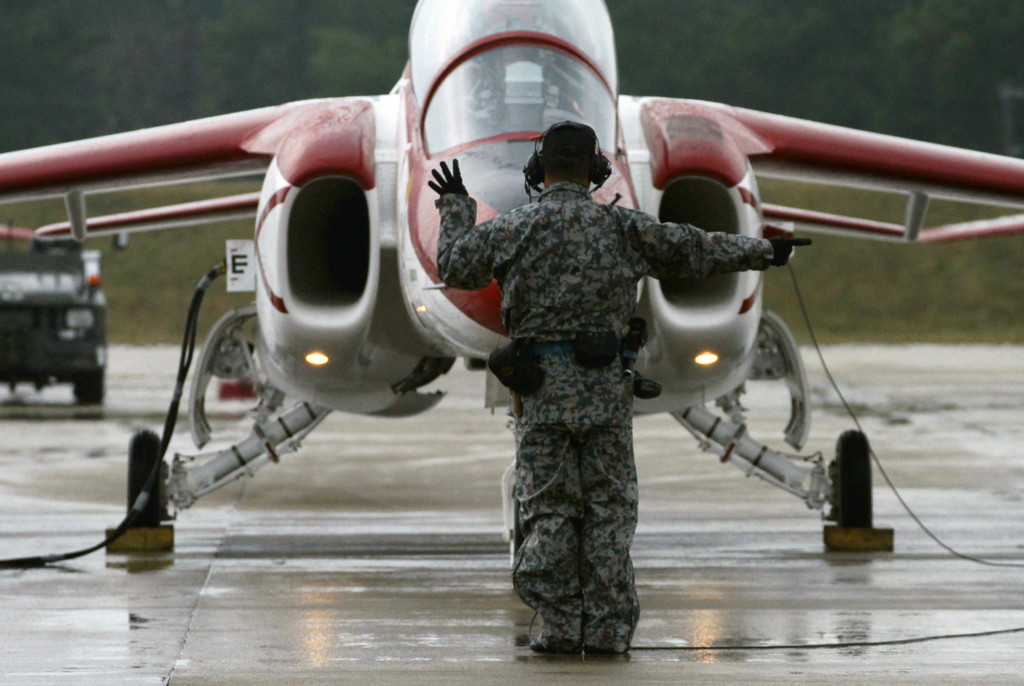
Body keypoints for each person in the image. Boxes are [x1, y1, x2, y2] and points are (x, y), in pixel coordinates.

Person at [430, 121, 808, 655]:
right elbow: (697, 249)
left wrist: (455, 206)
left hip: (541, 397)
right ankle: (608, 632)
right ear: (597, 170)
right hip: (605, 393)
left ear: (539, 169)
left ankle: (559, 627)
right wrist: (765, 251)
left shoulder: (512, 229)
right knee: (609, 512)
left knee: (549, 511)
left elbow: (454, 267)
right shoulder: (624, 229)